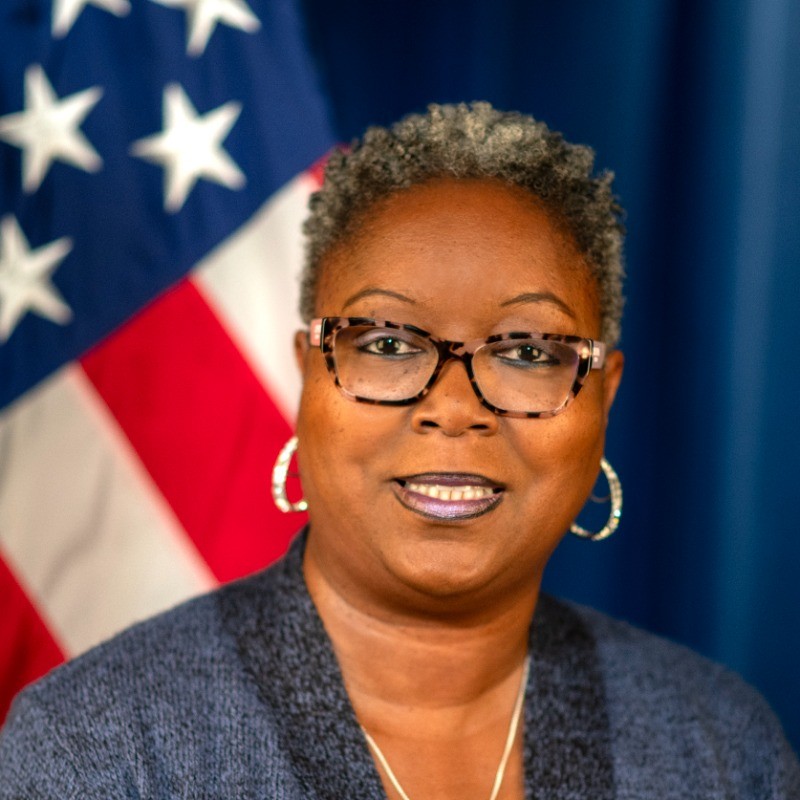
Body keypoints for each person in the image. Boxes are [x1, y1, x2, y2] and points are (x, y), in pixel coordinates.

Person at [1, 102, 798, 799]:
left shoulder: (718, 746)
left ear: (603, 395)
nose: (453, 409)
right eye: (386, 343)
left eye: (527, 352)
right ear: (308, 373)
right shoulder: (96, 747)